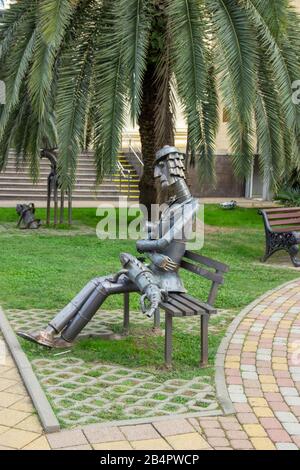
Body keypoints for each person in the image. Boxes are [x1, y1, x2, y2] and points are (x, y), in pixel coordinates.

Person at [18, 146, 198, 348]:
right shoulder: (174, 204)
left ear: (172, 167)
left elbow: (162, 242)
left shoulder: (190, 207)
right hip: (152, 270)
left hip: (164, 281)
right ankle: (49, 331)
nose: (157, 174)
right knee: (96, 281)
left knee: (103, 286)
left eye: (161, 168)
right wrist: (152, 249)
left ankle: (65, 338)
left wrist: (142, 245)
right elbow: (156, 237)